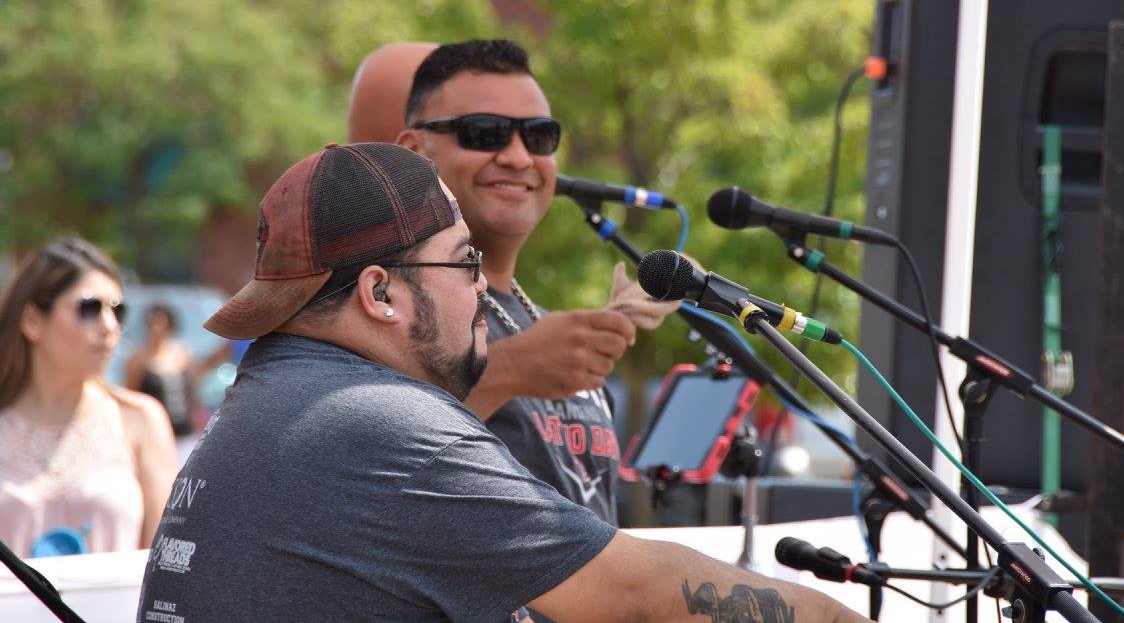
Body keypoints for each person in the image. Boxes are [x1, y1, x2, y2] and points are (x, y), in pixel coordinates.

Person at [135, 142, 867, 622]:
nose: (485, 292)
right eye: (465, 264)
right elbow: (639, 596)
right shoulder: (376, 424)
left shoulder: (281, 390)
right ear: (380, 294)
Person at [349, 39, 677, 524]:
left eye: (540, 137)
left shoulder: (537, 322)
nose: (520, 157)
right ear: (415, 151)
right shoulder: (381, 306)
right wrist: (507, 371)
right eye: (486, 133)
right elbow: (365, 473)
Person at [0, 238, 177, 556]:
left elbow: (165, 567)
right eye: (89, 308)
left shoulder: (141, 420)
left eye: (118, 311)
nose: (110, 327)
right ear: (32, 321)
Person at [125, 304, 232, 441]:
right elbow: (131, 394)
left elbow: (194, 384)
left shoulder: (182, 353)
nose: (157, 329)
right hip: (155, 434)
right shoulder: (138, 359)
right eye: (153, 324)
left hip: (186, 431)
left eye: (162, 324)